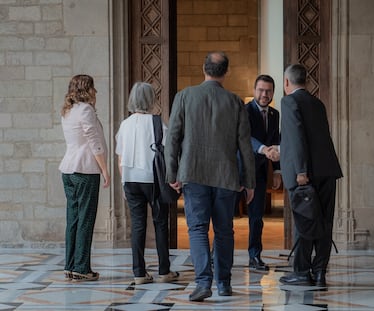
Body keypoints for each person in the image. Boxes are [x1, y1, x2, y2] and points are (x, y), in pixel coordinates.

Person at [165, 51, 256, 302]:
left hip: (193, 174)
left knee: (197, 229)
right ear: (227, 73)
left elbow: (171, 139)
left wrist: (172, 173)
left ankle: (203, 282)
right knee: (225, 230)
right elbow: (245, 145)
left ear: (203, 69)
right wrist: (250, 182)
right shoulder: (235, 102)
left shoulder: (184, 96)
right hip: (227, 176)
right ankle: (224, 283)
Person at [279, 64, 343, 287]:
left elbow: (296, 137)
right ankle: (319, 273)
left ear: (286, 82)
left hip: (306, 174)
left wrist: (300, 171)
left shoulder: (289, 101)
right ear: (305, 81)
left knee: (305, 222)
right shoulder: (317, 103)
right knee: (324, 222)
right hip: (328, 170)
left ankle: (301, 272)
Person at [115, 82, 179, 285]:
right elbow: (169, 153)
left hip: (131, 179)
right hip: (153, 180)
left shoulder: (125, 124)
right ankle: (163, 271)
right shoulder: (157, 123)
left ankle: (139, 273)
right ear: (152, 99)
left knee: (138, 225)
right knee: (160, 223)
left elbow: (120, 157)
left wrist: (124, 182)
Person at [59, 74, 110, 282]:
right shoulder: (86, 110)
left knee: (73, 219)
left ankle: (70, 266)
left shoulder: (68, 110)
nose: (95, 91)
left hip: (68, 170)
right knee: (85, 219)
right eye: (93, 87)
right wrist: (105, 169)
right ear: (87, 89)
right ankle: (82, 268)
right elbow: (93, 141)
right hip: (85, 170)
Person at [245, 75, 281, 271]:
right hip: (240, 171)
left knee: (257, 216)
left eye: (268, 91)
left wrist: (277, 170)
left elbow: (276, 139)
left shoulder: (275, 114)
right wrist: (264, 149)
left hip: (259, 172)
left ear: (273, 93)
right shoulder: (244, 111)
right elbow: (245, 137)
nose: (264, 94)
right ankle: (216, 255)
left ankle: (255, 256)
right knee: (224, 216)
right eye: (260, 90)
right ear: (254, 90)